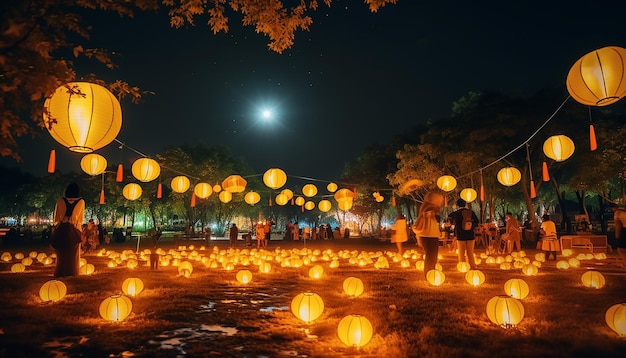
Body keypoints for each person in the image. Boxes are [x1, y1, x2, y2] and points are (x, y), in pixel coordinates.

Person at [51, 183, 85, 277]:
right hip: (74, 229)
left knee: (61, 253)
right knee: (73, 254)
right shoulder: (81, 201)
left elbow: (57, 218)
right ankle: (73, 271)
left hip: (62, 228)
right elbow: (80, 219)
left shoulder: (60, 201)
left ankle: (60, 271)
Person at [412, 192, 444, 277]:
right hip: (429, 235)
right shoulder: (429, 207)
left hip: (428, 235)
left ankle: (430, 273)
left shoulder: (426, 206)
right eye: (439, 199)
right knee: (431, 256)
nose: (441, 201)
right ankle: (429, 274)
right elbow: (433, 214)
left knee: (431, 256)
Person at [448, 198, 478, 269]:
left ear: (457, 205)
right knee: (470, 253)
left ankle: (462, 266)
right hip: (470, 235)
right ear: (465, 204)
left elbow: (451, 221)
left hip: (460, 235)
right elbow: (476, 222)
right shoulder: (471, 212)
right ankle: (472, 266)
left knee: (461, 253)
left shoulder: (456, 213)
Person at [609, 203, 626, 269]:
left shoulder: (617, 213)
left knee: (621, 249)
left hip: (625, 230)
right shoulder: (623, 211)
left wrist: (617, 236)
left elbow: (618, 226)